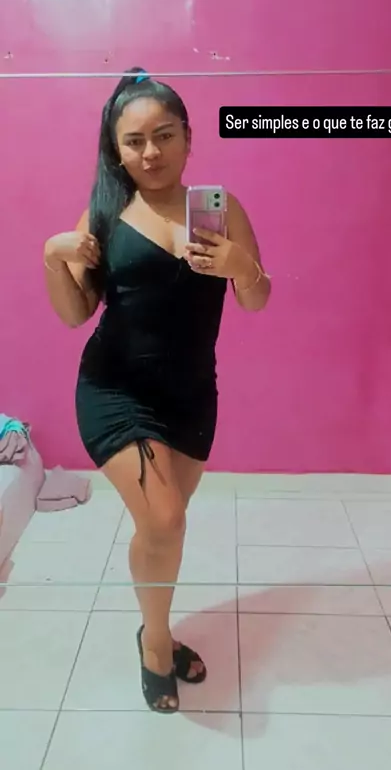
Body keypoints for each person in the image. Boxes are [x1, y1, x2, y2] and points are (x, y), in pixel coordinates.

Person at [43, 67, 271, 713]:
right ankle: (155, 641)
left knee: (161, 528)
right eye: (135, 140)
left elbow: (256, 299)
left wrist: (243, 268)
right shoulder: (106, 214)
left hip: (191, 394)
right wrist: (52, 256)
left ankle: (155, 626)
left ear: (188, 138)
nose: (150, 152)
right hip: (114, 387)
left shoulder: (220, 207)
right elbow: (74, 313)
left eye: (164, 135)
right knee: (166, 519)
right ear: (117, 150)